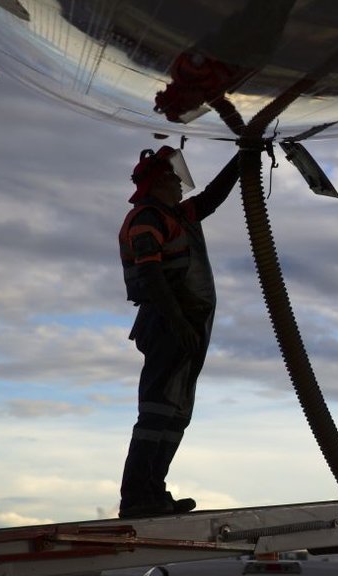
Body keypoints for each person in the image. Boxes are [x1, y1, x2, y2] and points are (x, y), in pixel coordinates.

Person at [117, 146, 240, 519]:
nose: (180, 184)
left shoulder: (178, 215)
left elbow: (211, 199)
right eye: (173, 177)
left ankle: (155, 492)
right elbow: (153, 276)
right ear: (157, 183)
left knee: (174, 413)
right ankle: (137, 497)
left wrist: (242, 159)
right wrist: (178, 322)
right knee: (156, 411)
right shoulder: (146, 218)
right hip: (168, 323)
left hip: (188, 325)